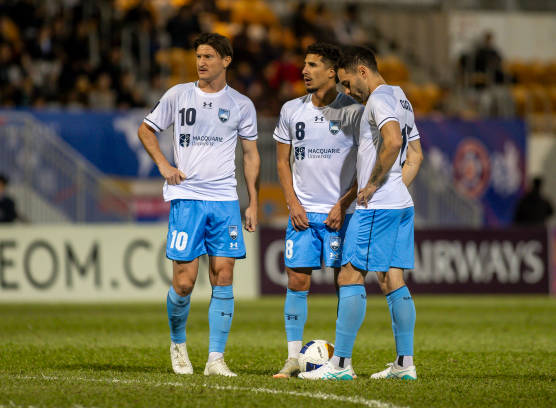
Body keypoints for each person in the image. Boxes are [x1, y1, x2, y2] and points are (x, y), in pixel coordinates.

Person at [137, 33, 260, 377]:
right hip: (187, 199)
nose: (201, 62)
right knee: (184, 282)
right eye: (198, 56)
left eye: (208, 56)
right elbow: (146, 130)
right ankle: (178, 345)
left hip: (224, 201)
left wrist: (252, 202)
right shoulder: (178, 95)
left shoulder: (241, 104)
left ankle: (215, 359)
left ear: (226, 60)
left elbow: (251, 155)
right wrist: (163, 164)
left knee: (224, 275)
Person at [299, 46, 423, 381]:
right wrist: (395, 185)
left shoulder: (380, 99)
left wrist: (374, 185)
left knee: (349, 277)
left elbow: (394, 142)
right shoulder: (402, 98)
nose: (347, 91)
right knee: (391, 279)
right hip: (400, 204)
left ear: (363, 71)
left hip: (378, 206)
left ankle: (339, 366)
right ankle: (404, 364)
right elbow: (416, 155)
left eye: (348, 82)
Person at [271, 42, 363, 378]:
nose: (305, 71)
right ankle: (294, 358)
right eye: (304, 64)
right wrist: (292, 202)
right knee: (297, 280)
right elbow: (282, 161)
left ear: (332, 72)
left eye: (313, 65)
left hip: (341, 215)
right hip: (303, 214)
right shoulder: (291, 110)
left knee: (346, 283)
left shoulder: (354, 112)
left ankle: (341, 360)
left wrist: (344, 203)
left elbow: (365, 168)